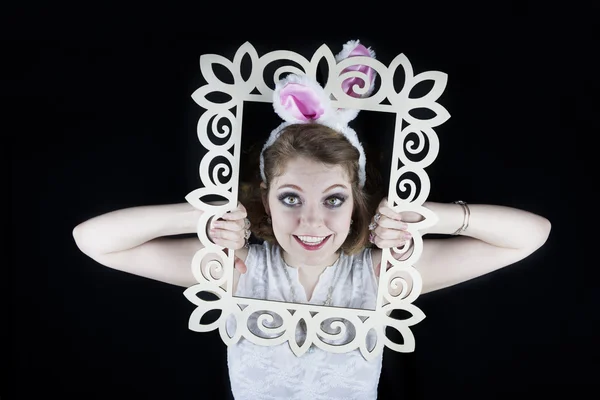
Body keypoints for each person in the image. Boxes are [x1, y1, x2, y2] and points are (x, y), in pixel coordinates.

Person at [72, 40, 551, 399]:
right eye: (291, 198)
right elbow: (93, 240)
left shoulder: (380, 275)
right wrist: (202, 212)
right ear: (265, 196)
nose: (312, 222)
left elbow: (530, 236)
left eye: (335, 200)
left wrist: (429, 217)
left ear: (358, 199)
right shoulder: (237, 269)